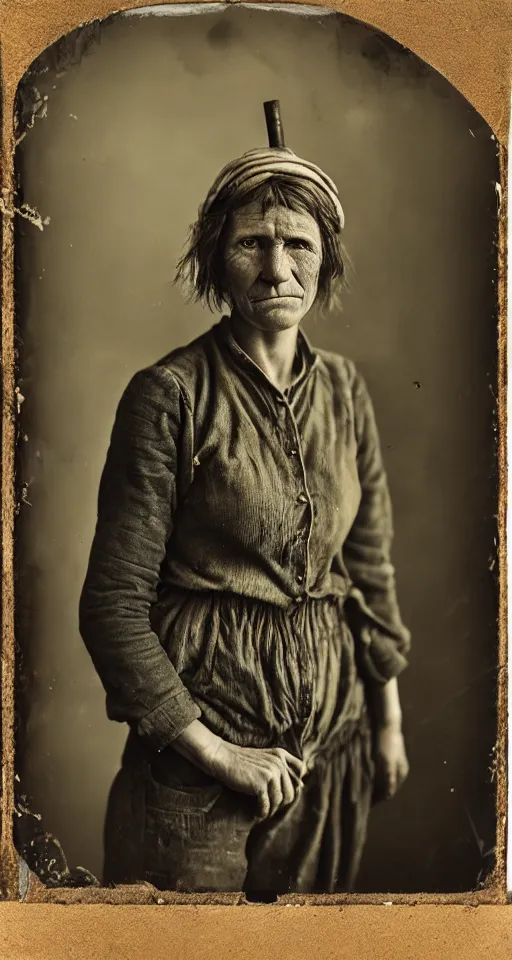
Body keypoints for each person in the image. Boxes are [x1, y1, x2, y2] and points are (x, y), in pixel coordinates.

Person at [79, 125, 411, 895]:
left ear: (325, 256)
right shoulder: (169, 396)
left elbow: (369, 569)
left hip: (331, 757)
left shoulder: (345, 393)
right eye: (251, 243)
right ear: (214, 261)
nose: (275, 269)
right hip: (200, 779)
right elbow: (113, 609)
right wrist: (218, 753)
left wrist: (387, 722)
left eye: (297, 243)